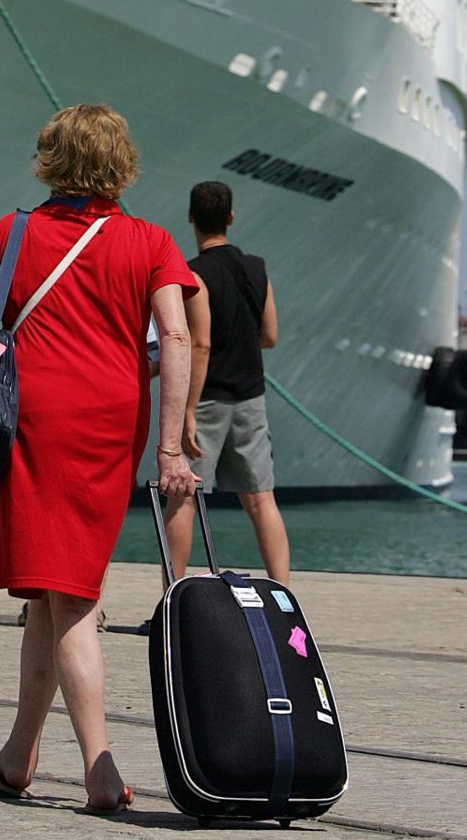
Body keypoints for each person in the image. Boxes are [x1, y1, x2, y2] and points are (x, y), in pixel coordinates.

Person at [0, 104, 198, 815]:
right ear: (121, 162)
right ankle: (19, 753)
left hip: (36, 420)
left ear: (52, 159)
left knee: (70, 598)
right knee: (53, 587)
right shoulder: (150, 241)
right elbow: (175, 338)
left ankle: (98, 761)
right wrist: (172, 445)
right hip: (111, 424)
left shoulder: (15, 231)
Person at [162, 180, 290, 591]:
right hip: (251, 397)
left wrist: (186, 412)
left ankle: (171, 596)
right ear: (231, 218)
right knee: (260, 498)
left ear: (191, 217)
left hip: (211, 399)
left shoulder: (195, 274)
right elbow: (269, 334)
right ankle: (285, 598)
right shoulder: (257, 267)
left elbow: (200, 344)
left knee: (182, 497)